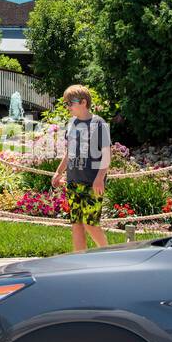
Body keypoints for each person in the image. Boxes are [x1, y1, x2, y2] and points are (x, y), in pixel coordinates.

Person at [51, 84, 110, 251]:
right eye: (66, 103)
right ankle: (80, 259)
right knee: (76, 224)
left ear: (83, 102)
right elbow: (69, 152)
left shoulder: (99, 124)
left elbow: (106, 155)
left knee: (90, 223)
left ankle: (108, 255)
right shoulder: (71, 124)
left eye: (71, 102)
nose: (68, 106)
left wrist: (99, 179)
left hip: (92, 183)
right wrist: (58, 172)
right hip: (73, 182)